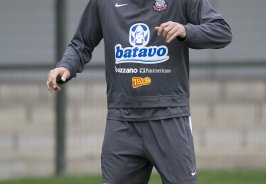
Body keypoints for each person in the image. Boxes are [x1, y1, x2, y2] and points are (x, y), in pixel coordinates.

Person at [47, 0, 232, 183]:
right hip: (122, 119)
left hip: (168, 116)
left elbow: (222, 31)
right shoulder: (102, 3)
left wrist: (186, 31)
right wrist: (66, 66)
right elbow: (81, 43)